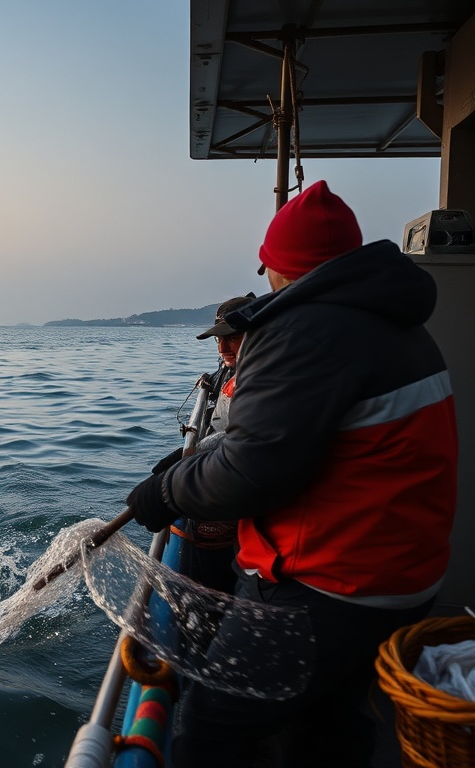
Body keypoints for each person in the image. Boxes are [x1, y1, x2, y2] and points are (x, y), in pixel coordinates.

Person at [125, 180, 458, 767]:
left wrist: (167, 492)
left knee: (208, 728)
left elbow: (251, 471)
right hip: (404, 579)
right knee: (330, 723)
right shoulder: (401, 325)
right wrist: (192, 464)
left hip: (328, 589)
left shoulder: (304, 329)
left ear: (284, 266)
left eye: (268, 266)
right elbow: (303, 438)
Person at [152, 293, 256, 594]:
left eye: (232, 337)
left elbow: (246, 436)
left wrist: (190, 454)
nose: (222, 348)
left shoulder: (266, 383)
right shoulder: (236, 375)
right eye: (218, 340)